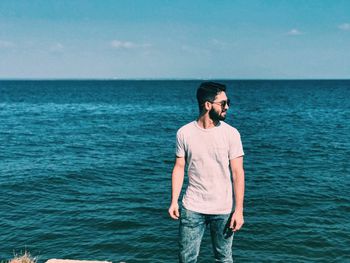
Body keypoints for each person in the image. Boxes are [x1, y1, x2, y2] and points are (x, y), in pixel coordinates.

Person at [168, 81, 245, 263]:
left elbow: (237, 173)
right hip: (192, 207)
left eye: (228, 102)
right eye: (223, 103)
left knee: (224, 258)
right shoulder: (184, 133)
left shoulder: (232, 134)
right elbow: (179, 167)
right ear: (208, 105)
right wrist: (173, 201)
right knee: (187, 259)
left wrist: (239, 210)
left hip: (223, 209)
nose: (227, 107)